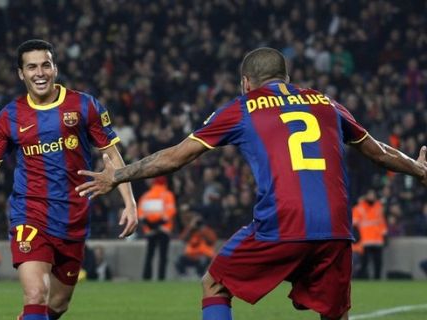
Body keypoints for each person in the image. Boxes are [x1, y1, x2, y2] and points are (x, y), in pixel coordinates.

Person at [75, 47, 427, 320]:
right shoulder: (326, 102)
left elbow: (176, 157)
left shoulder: (244, 106)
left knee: (214, 283)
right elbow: (378, 152)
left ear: (246, 82)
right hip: (336, 226)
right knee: (335, 314)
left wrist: (117, 174)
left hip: (282, 221)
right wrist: (419, 169)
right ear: (287, 78)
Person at [0, 39, 138, 320]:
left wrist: (129, 202)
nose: (40, 73)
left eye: (45, 65)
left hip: (73, 215)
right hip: (30, 212)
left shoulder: (84, 106)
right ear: (20, 74)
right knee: (36, 294)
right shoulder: (8, 117)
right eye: (32, 67)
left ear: (55, 68)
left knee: (58, 304)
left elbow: (112, 156)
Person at [137, 176, 176, 280]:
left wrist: (151, 225)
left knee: (149, 255)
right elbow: (170, 212)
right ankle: (161, 278)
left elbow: (141, 214)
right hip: (164, 229)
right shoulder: (168, 195)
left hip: (150, 230)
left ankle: (146, 277)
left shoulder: (146, 196)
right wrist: (159, 225)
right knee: (163, 257)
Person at [352, 189, 388, 279]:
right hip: (365, 240)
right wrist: (357, 236)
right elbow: (354, 223)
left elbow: (382, 222)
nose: (372, 196)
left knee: (378, 262)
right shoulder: (359, 207)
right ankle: (362, 277)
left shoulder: (378, 207)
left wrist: (385, 235)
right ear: (366, 196)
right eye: (370, 195)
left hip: (377, 240)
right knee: (364, 262)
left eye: (373, 195)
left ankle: (377, 278)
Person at [175, 214, 217, 278]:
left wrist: (203, 231)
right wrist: (190, 227)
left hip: (205, 255)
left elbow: (212, 241)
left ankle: (201, 277)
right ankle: (184, 277)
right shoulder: (190, 231)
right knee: (179, 260)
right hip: (191, 256)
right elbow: (183, 238)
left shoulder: (207, 231)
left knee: (202, 260)